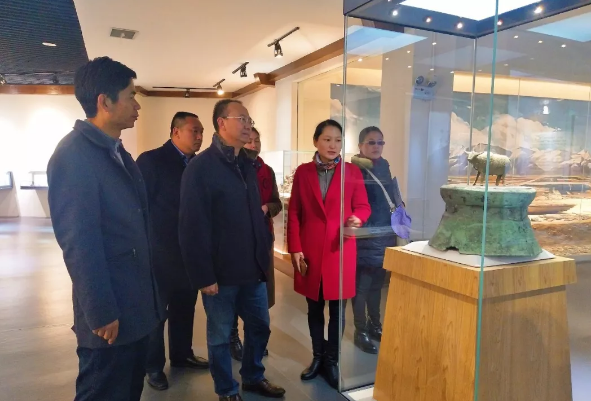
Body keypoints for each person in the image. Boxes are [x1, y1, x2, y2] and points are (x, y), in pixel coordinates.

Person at [47, 56, 164, 401]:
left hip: (135, 306)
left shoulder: (115, 151)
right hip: (111, 316)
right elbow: (79, 243)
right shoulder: (73, 155)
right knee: (103, 390)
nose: (137, 106)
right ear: (105, 102)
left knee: (128, 390)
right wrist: (100, 312)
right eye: (130, 96)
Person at [179, 99, 286, 401]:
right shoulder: (200, 168)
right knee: (220, 335)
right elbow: (191, 226)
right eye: (242, 119)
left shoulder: (247, 164)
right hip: (221, 273)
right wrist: (203, 275)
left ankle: (252, 376)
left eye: (250, 120)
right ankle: (226, 390)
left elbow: (256, 215)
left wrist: (263, 255)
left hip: (253, 268)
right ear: (221, 123)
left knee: (260, 327)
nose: (248, 125)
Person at [287, 119, 371, 389]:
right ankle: (317, 357)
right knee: (313, 307)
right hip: (310, 249)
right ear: (316, 141)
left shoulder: (351, 172)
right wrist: (295, 247)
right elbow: (295, 211)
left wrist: (357, 218)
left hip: (340, 248)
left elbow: (363, 205)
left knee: (338, 310)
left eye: (338, 140)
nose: (333, 145)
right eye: (327, 139)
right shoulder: (303, 172)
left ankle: (332, 361)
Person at [136, 112, 209, 391]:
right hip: (159, 252)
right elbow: (140, 206)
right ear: (175, 132)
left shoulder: (198, 165)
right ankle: (153, 366)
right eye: (194, 131)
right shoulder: (151, 161)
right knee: (157, 313)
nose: (199, 137)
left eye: (201, 132)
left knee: (185, 307)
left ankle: (181, 354)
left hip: (188, 253)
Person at [230, 127, 282, 361]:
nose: (253, 144)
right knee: (234, 290)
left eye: (257, 140)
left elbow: (276, 202)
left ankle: (255, 339)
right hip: (236, 242)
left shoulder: (266, 170)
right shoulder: (231, 169)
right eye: (249, 140)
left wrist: (266, 208)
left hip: (263, 238)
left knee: (260, 292)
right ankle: (233, 337)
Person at [350, 127, 397, 354]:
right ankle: (361, 331)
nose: (376, 146)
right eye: (371, 142)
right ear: (360, 146)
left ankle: (375, 325)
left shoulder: (384, 166)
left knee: (377, 284)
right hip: (365, 234)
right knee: (361, 286)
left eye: (380, 142)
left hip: (384, 232)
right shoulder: (355, 170)